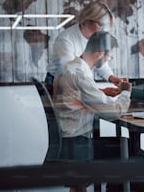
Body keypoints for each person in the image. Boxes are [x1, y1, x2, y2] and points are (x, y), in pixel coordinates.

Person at [53, 30, 131, 192]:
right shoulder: (81, 74)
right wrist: (126, 92)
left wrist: (102, 92)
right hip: (77, 145)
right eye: (109, 57)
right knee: (131, 151)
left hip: (66, 141)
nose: (108, 60)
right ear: (100, 53)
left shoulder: (70, 66)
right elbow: (113, 112)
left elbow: (75, 96)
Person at [46, 1, 123, 96]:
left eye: (106, 26)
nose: (104, 30)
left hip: (78, 82)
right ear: (87, 20)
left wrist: (112, 77)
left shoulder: (95, 38)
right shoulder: (65, 40)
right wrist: (100, 92)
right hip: (57, 83)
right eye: (101, 24)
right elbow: (71, 75)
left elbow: (99, 60)